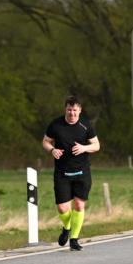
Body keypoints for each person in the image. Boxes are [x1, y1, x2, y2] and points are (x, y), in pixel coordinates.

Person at [43, 96, 101, 251]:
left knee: (79, 204)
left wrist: (84, 148)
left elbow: (96, 145)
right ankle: (67, 228)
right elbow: (46, 141)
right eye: (69, 110)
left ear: (80, 110)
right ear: (65, 109)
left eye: (75, 110)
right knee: (62, 208)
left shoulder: (85, 125)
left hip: (82, 171)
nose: (72, 113)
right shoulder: (56, 124)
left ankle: (74, 239)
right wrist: (52, 150)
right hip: (62, 172)